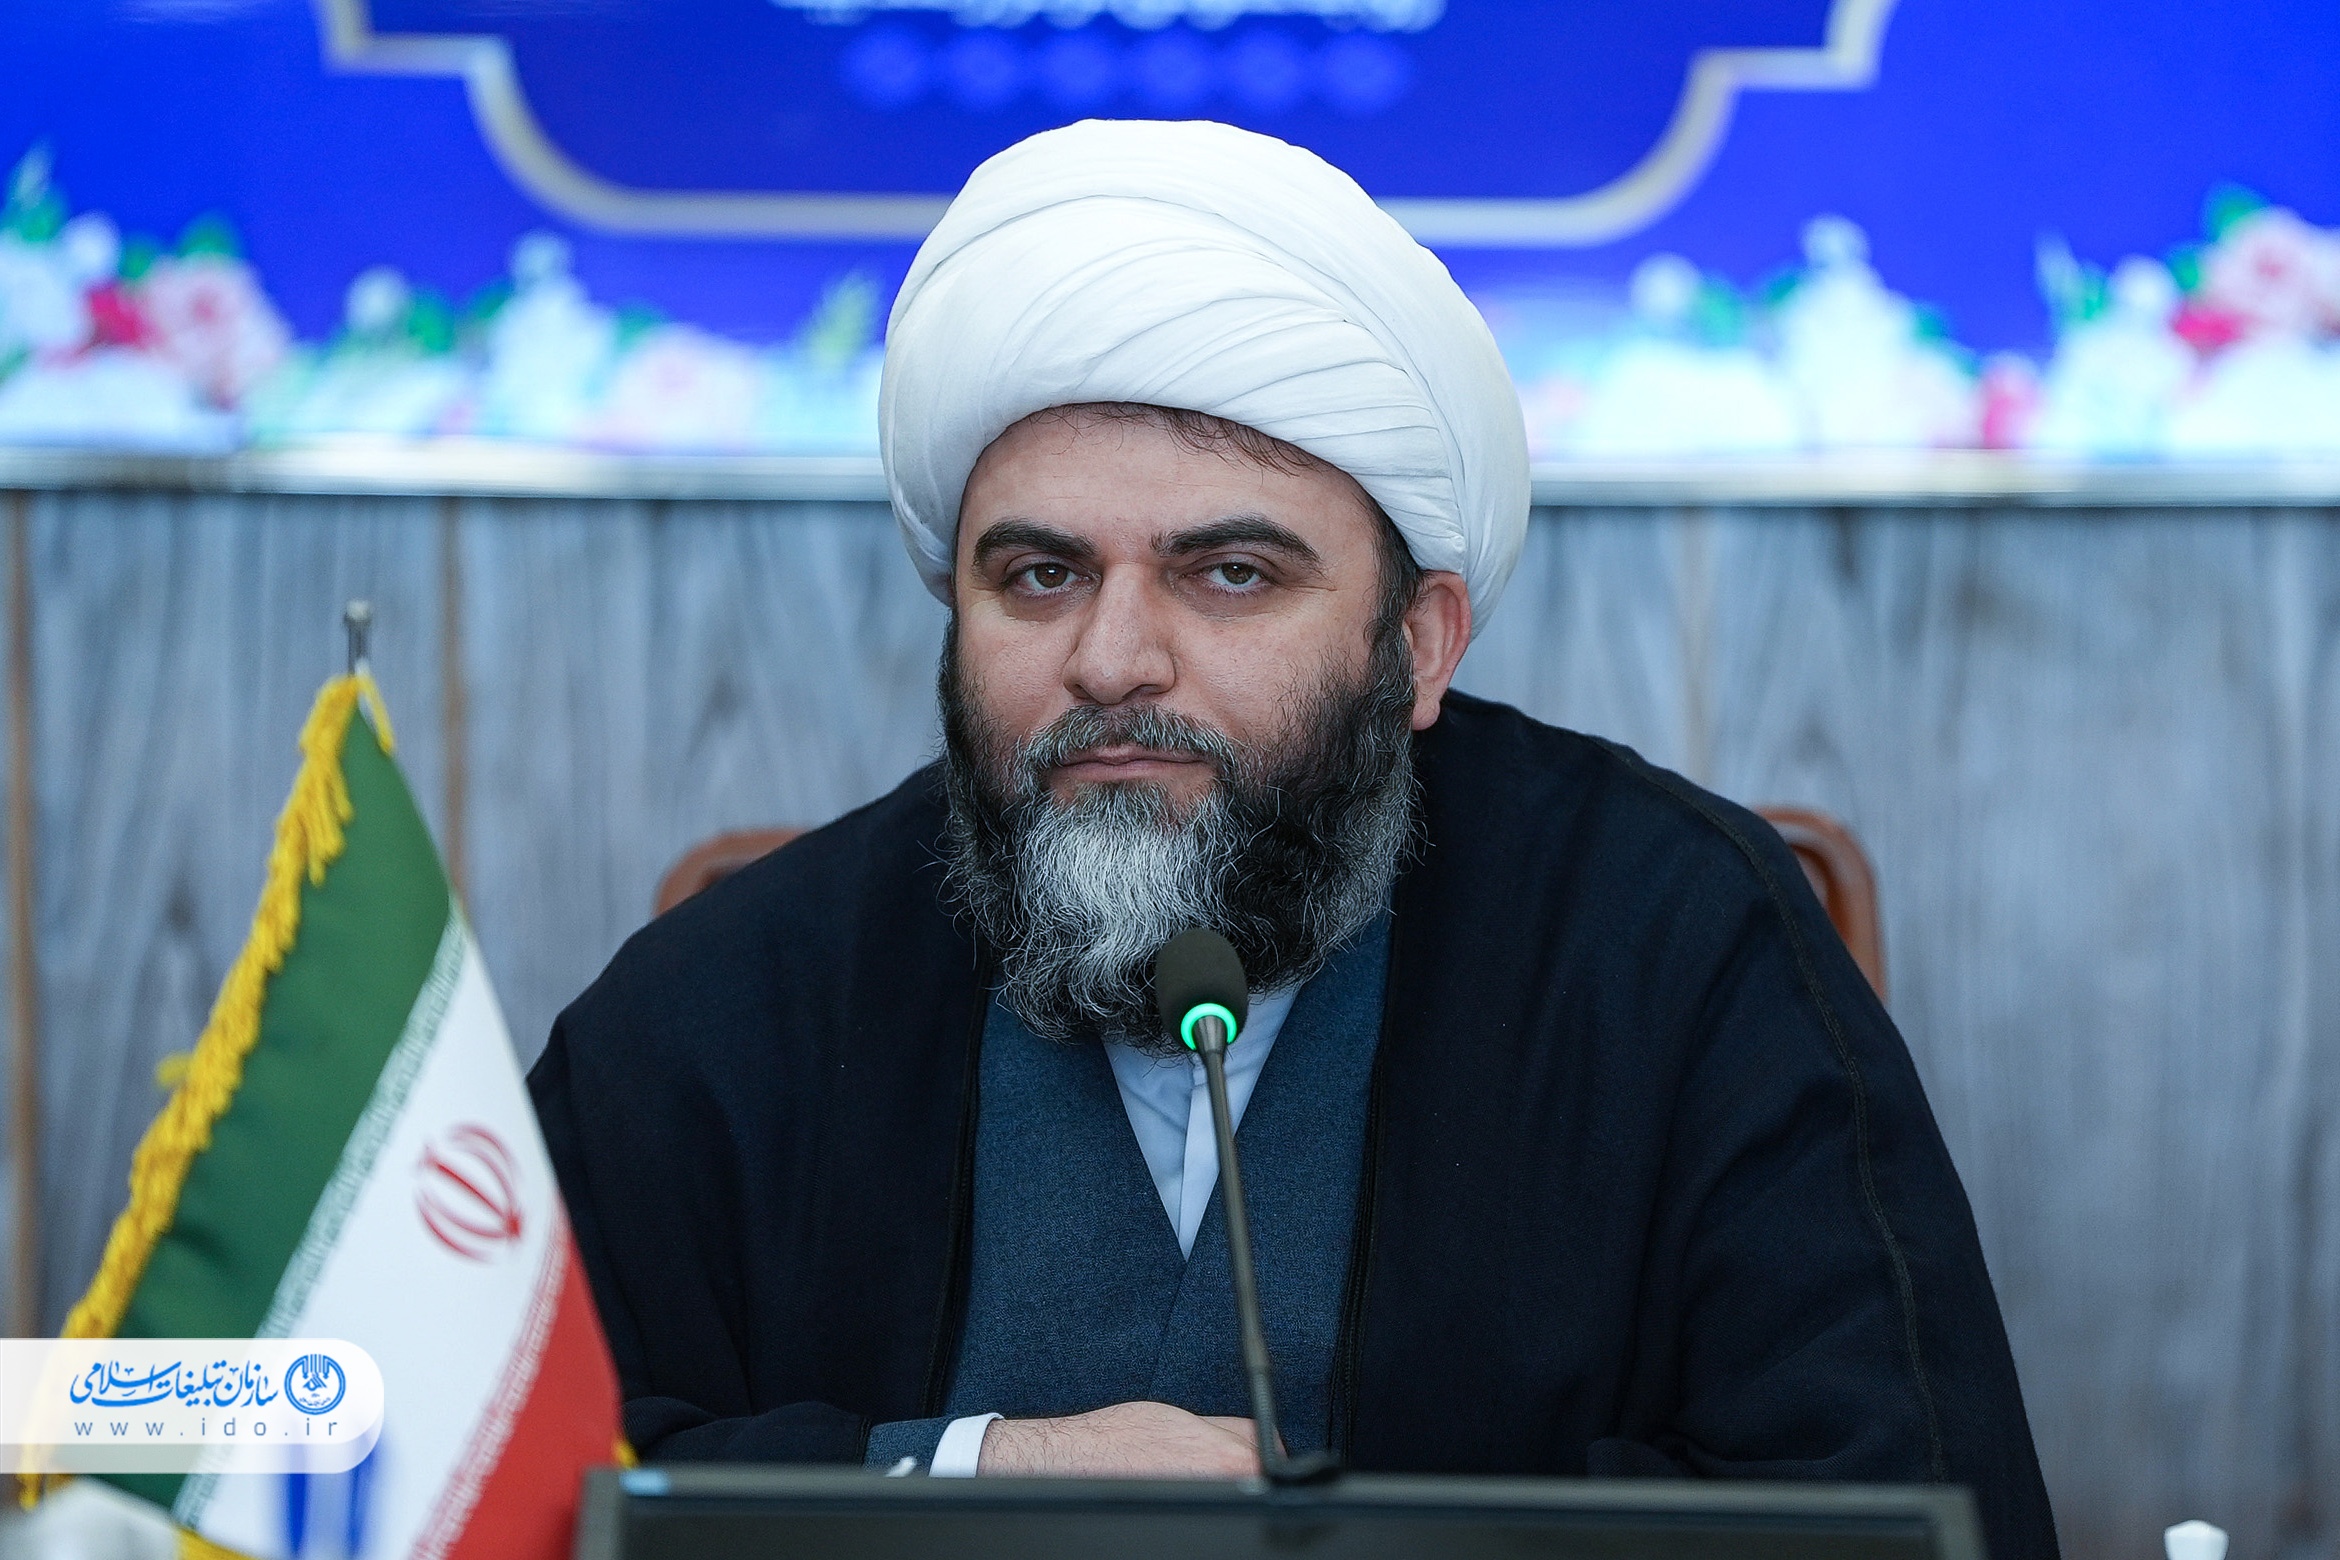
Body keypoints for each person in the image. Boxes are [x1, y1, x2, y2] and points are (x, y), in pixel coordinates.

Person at [528, 119, 2059, 1558]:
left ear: (1418, 643)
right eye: (1041, 577)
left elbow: (1895, 1499)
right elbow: (507, 1479)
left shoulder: (1672, 944)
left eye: (1231, 575)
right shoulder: (732, 1003)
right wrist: (969, 1474)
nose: (1112, 659)